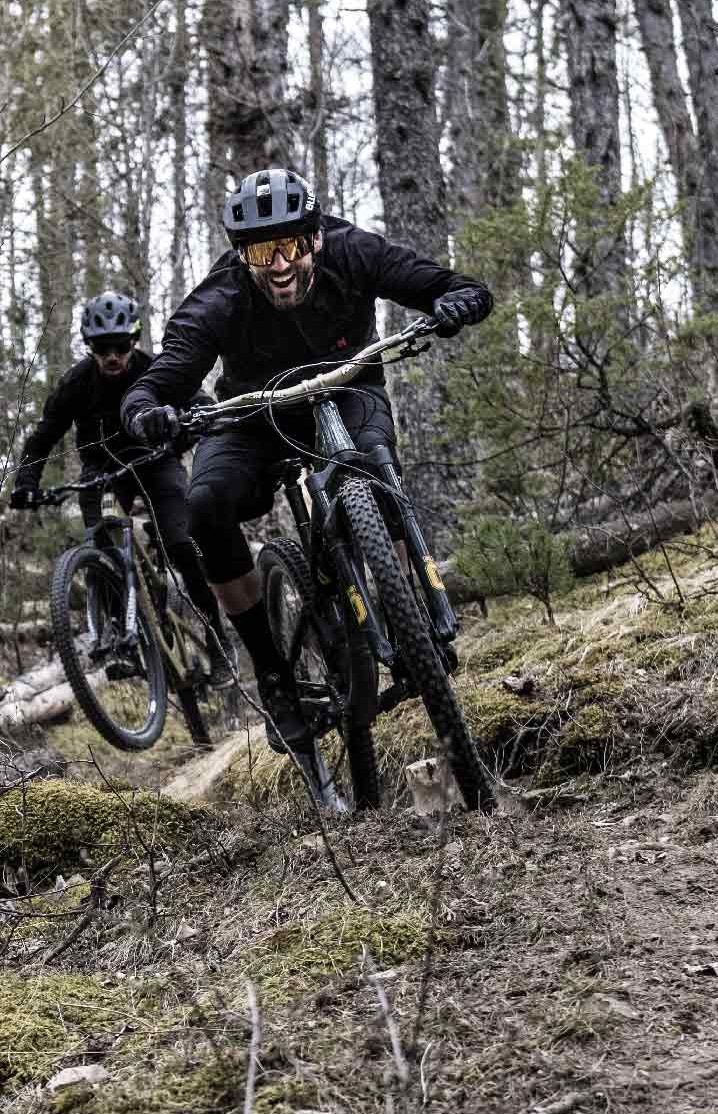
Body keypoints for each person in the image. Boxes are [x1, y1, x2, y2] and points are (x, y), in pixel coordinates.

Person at [118, 168, 494, 751]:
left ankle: (411, 620)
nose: (279, 264)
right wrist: (146, 409)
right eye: (262, 250)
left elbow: (444, 283)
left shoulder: (354, 251)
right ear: (242, 254)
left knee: (371, 463)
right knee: (204, 504)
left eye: (291, 244)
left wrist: (458, 301)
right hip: (256, 413)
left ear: (316, 236)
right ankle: (274, 675)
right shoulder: (220, 298)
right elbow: (162, 377)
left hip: (350, 387)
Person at [10, 291, 234, 686]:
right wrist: (26, 483)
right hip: (102, 470)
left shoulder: (153, 369)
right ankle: (120, 639)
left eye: (121, 346)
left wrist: (195, 419)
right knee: (101, 549)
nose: (112, 356)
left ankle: (218, 642)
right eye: (102, 347)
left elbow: (194, 397)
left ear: (134, 341)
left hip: (155, 461)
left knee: (182, 542)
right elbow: (44, 436)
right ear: (89, 346)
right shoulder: (77, 383)